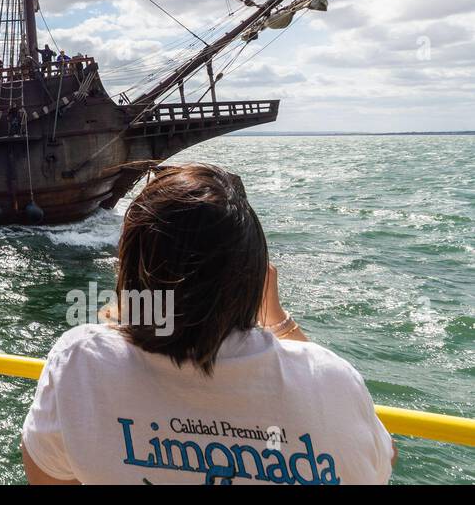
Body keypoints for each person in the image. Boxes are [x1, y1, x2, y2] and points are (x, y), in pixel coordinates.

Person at [21, 164, 395, 485]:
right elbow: (380, 462)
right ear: (253, 273)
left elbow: (47, 473)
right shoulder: (333, 379)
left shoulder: (81, 361)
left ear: (130, 270)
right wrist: (278, 319)